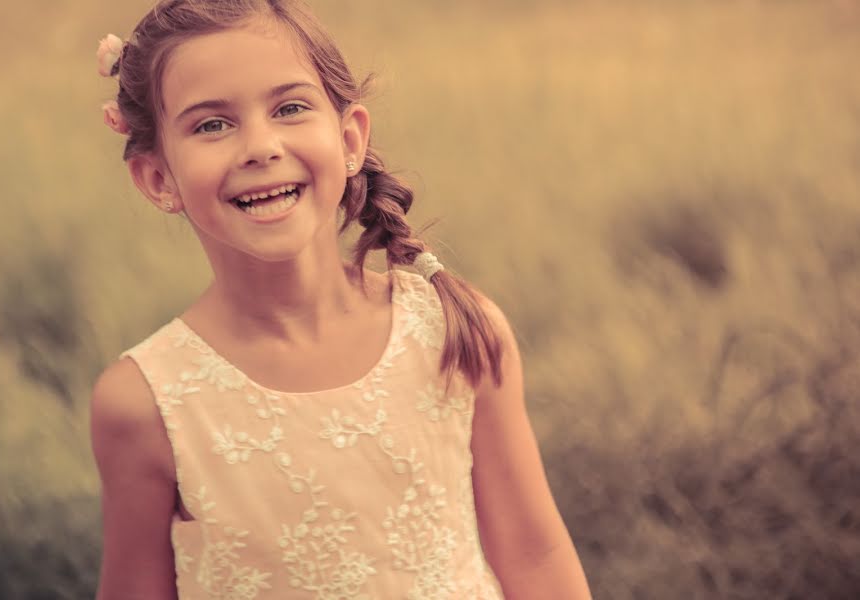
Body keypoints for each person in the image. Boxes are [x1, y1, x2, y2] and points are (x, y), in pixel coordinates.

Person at [89, 1, 593, 598]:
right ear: (158, 178)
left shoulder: (455, 331)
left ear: (350, 138)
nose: (260, 146)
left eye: (290, 108)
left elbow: (536, 558)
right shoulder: (144, 402)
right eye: (211, 125)